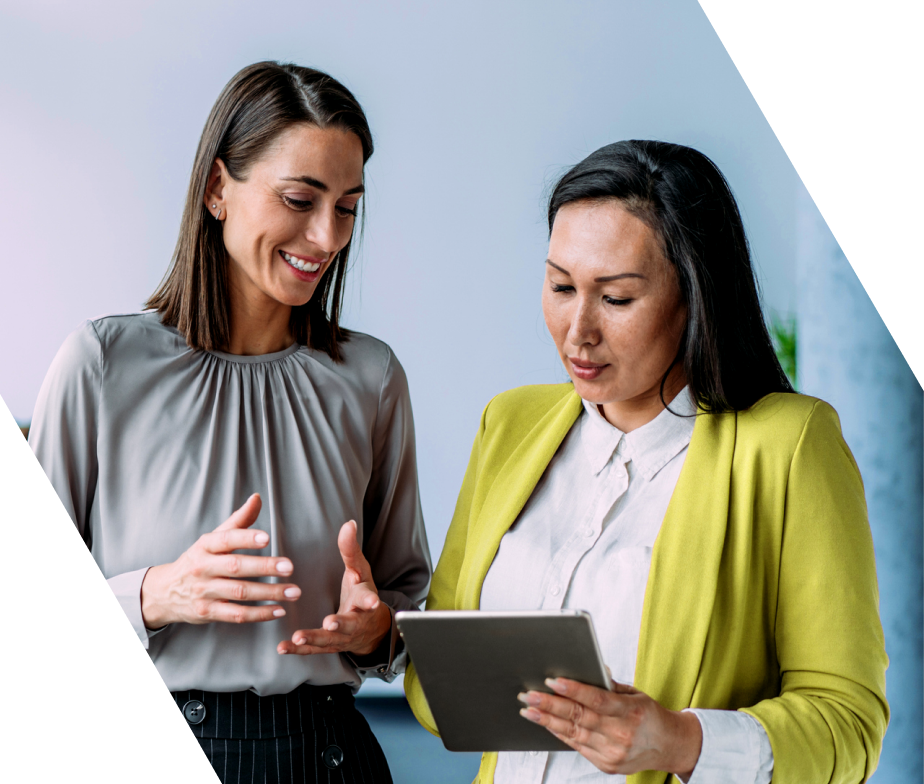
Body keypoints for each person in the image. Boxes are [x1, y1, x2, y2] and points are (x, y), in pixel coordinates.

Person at [404, 140, 888, 784]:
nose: (578, 330)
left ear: (694, 296)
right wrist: (380, 636)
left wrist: (681, 741)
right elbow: (440, 694)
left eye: (617, 298)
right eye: (560, 286)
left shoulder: (790, 447)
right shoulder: (510, 424)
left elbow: (848, 726)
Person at [28, 61, 431, 784]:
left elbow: (407, 601)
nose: (328, 235)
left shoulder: (371, 379)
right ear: (218, 189)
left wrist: (377, 631)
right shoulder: (101, 366)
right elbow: (25, 620)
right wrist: (154, 596)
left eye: (348, 207)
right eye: (301, 199)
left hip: (331, 755)